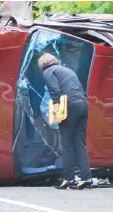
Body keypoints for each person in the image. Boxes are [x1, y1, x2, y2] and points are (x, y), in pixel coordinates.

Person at [38, 53, 92, 190]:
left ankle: (69, 179)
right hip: (83, 103)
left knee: (67, 143)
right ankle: (86, 177)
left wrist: (57, 112)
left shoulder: (48, 72)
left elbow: (55, 91)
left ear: (42, 65)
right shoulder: (67, 70)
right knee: (80, 143)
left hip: (69, 105)